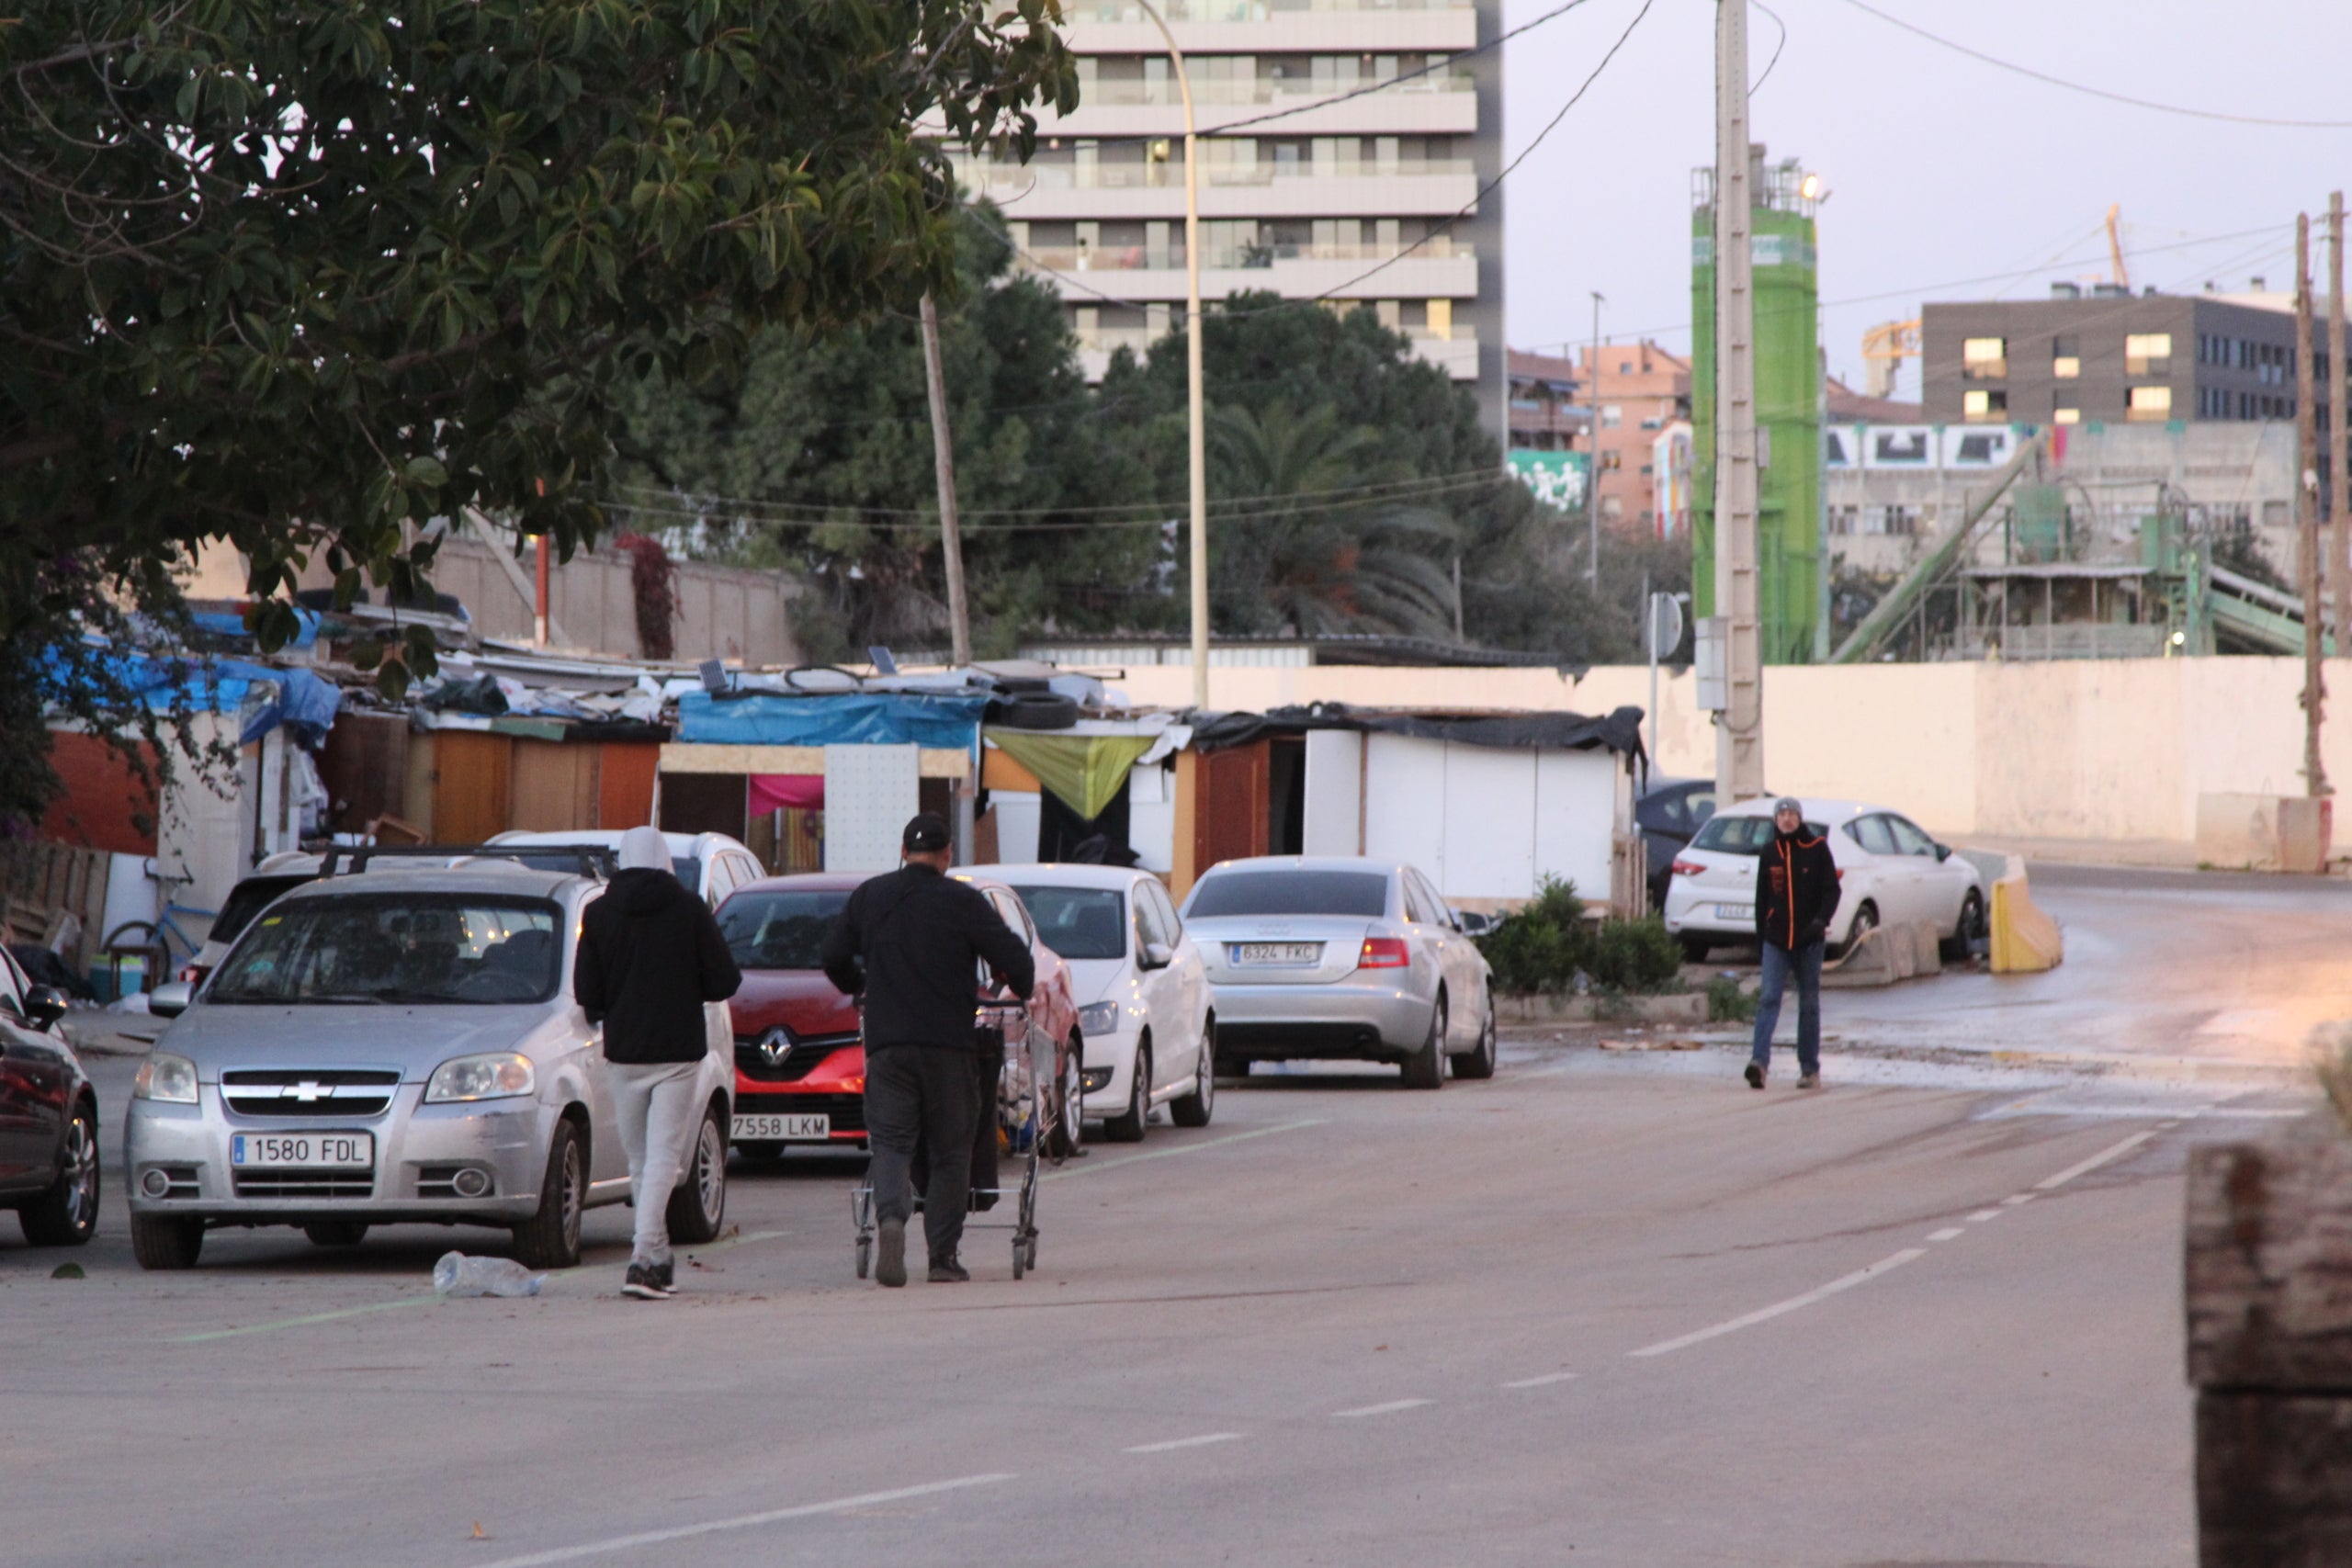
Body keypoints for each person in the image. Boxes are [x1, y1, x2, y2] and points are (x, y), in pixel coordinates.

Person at [822, 812, 1035, 1288]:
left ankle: (891, 1219)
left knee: (892, 1144)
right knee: (951, 1151)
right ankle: (942, 1257)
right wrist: (1016, 985)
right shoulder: (963, 900)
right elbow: (1017, 961)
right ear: (947, 855)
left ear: (903, 852)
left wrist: (861, 984)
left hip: (888, 1045)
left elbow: (832, 956)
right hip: (949, 1048)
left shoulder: (870, 896)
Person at [574, 826, 741, 1301]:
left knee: (642, 1160)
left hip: (624, 1053)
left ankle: (658, 1258)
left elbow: (588, 993)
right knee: (665, 1157)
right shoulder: (689, 909)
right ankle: (641, 1260)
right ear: (666, 860)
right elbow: (724, 980)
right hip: (677, 1053)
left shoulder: (597, 913)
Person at [1747, 797, 1839, 1091]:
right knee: (1768, 998)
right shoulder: (1769, 851)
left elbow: (1832, 891)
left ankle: (1809, 1070)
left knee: (1808, 1003)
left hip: (1808, 942)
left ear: (1800, 819)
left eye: (1792, 814)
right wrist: (1761, 939)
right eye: (1782, 814)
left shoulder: (1817, 848)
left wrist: (1819, 922)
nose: (1787, 819)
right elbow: (1761, 900)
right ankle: (1759, 1063)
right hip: (1776, 940)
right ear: (1776, 820)